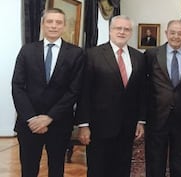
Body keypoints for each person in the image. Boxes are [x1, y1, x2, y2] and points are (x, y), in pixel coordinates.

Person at [11, 8, 84, 177]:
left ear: (64, 26)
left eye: (58, 22)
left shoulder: (76, 53)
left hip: (59, 122)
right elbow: (17, 86)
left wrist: (49, 117)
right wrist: (31, 118)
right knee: (28, 170)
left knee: (56, 169)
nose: (54, 26)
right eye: (49, 22)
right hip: (29, 124)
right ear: (42, 24)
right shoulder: (27, 50)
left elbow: (74, 90)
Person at [75, 15, 147, 177]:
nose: (122, 32)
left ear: (131, 32)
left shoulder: (139, 57)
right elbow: (84, 91)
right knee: (97, 169)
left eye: (126, 29)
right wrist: (83, 124)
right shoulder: (92, 55)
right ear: (110, 30)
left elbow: (142, 91)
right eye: (118, 28)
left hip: (127, 126)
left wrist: (141, 121)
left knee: (122, 168)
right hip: (98, 126)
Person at [145, 20, 181, 177]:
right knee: (155, 160)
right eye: (173, 32)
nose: (176, 36)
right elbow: (145, 85)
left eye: (180, 33)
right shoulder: (152, 54)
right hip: (157, 115)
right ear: (166, 33)